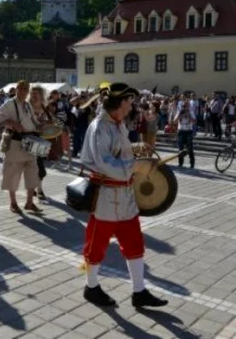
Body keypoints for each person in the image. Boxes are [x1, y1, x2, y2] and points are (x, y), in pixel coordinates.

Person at [80, 83, 167, 308]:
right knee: (97, 244)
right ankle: (91, 287)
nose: (132, 106)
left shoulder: (117, 124)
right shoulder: (101, 126)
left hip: (125, 196)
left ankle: (139, 291)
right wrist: (137, 165)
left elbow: (120, 152)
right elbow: (105, 162)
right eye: (129, 102)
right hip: (106, 197)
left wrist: (137, 147)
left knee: (134, 242)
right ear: (119, 103)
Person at [0, 80, 42, 214]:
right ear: (16, 90)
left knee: (33, 172)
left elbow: (33, 120)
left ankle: (29, 203)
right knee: (13, 174)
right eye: (20, 89)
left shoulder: (27, 105)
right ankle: (13, 203)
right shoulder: (10, 103)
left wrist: (39, 125)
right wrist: (13, 123)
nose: (23, 91)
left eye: (25, 89)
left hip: (30, 141)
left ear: (28, 91)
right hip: (15, 142)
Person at [176, 99, 196, 168]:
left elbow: (194, 122)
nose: (185, 107)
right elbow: (174, 120)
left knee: (190, 148)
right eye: (183, 106)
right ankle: (180, 162)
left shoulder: (191, 112)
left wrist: (189, 116)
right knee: (180, 148)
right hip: (181, 131)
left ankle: (192, 163)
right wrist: (182, 115)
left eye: (186, 106)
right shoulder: (179, 112)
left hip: (188, 131)